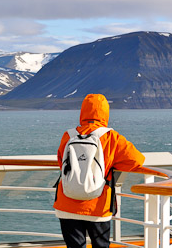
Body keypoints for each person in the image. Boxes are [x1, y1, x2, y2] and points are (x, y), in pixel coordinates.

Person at [53, 94, 145, 248]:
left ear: (82, 112)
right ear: (105, 112)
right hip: (97, 205)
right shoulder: (111, 137)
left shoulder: (68, 135)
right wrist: (112, 165)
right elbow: (136, 160)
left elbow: (61, 161)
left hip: (66, 203)